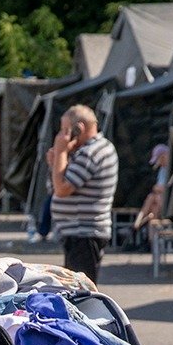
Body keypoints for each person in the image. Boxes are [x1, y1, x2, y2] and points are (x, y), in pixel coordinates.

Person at [48, 104, 119, 283]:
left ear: (78, 128)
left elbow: (62, 189)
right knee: (74, 290)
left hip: (85, 233)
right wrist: (57, 160)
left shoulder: (91, 152)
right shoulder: (84, 151)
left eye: (65, 130)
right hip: (77, 232)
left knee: (80, 293)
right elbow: (56, 185)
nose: (61, 136)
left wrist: (61, 152)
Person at [132, 142, 172, 232]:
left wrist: (158, 189)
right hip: (160, 199)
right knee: (153, 207)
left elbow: (164, 188)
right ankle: (150, 240)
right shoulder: (162, 170)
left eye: (159, 159)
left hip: (169, 203)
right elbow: (159, 187)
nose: (159, 163)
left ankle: (137, 224)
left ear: (164, 156)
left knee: (153, 200)